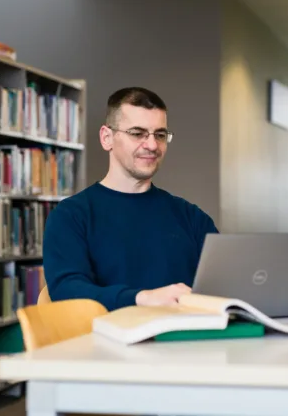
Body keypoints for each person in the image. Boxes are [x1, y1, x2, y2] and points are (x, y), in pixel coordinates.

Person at [42, 87, 218, 311]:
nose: (152, 145)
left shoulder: (192, 217)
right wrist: (141, 298)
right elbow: (67, 291)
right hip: (105, 342)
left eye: (160, 135)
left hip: (185, 341)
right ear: (107, 138)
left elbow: (224, 285)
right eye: (137, 133)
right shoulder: (70, 216)